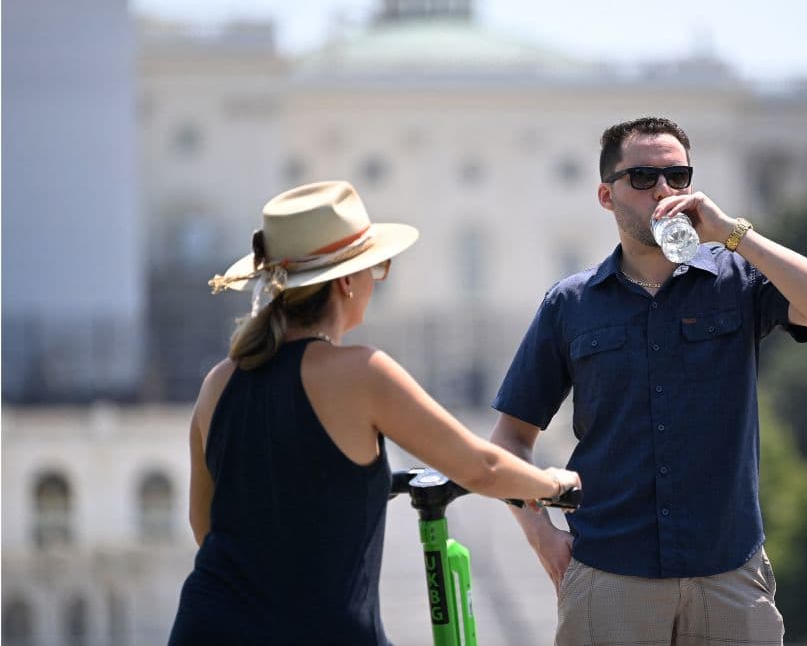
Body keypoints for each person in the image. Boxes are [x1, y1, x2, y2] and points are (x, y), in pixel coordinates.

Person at [490, 117, 807, 645]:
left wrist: (732, 232)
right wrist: (540, 535)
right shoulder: (570, 304)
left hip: (729, 572)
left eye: (677, 176)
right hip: (610, 573)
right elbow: (509, 441)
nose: (663, 190)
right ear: (606, 195)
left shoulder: (738, 280)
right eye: (642, 177)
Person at [168, 181, 581, 646]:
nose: (375, 281)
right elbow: (480, 467)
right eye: (378, 268)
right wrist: (556, 485)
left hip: (205, 626)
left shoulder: (219, 381)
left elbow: (205, 526)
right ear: (346, 280)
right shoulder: (361, 373)